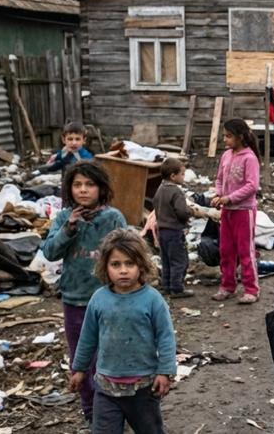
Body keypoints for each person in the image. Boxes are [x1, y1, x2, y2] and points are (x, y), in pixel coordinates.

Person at [42, 161, 128, 429]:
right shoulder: (64, 217)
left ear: (102, 189)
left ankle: (117, 409)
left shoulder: (112, 218)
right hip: (75, 299)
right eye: (77, 184)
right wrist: (69, 227)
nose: (83, 190)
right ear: (69, 189)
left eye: (90, 184)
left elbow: (126, 254)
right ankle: (91, 412)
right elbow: (50, 253)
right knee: (82, 361)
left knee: (112, 357)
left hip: (110, 300)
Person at [69, 229, 176, 434]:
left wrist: (165, 371)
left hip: (143, 389)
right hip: (106, 389)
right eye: (115, 264)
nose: (123, 271)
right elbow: (87, 338)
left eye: (130, 263)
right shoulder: (99, 299)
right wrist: (80, 370)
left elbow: (165, 337)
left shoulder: (153, 300)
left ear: (141, 265)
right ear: (105, 267)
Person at [209, 118, 261, 304]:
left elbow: (252, 186)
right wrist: (218, 195)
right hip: (227, 211)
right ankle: (228, 285)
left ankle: (251, 289)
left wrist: (229, 198)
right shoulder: (226, 156)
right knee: (226, 250)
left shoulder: (249, 158)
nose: (225, 140)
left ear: (240, 137)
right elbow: (219, 179)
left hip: (243, 210)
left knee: (245, 251)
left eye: (228, 136)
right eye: (224, 136)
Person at [152, 157, 193, 298]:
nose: (183, 177)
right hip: (174, 232)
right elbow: (182, 211)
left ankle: (167, 286)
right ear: (173, 176)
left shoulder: (160, 190)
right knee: (179, 261)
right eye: (182, 174)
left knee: (166, 260)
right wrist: (191, 212)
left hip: (162, 232)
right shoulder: (176, 192)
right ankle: (177, 288)